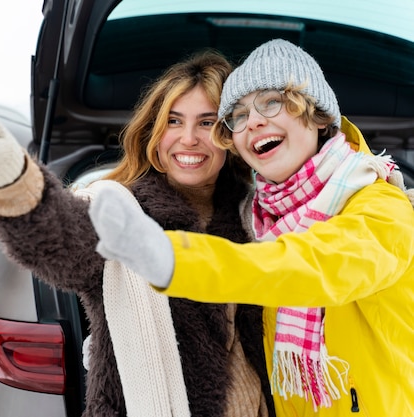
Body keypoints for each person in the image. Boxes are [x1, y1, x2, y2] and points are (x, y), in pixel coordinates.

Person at [0, 50, 275, 417]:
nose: (189, 138)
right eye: (174, 121)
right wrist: (11, 180)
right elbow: (65, 238)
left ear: (229, 135)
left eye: (207, 123)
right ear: (155, 135)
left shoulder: (258, 218)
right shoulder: (120, 210)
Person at [88, 39, 414, 416]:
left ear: (321, 116)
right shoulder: (260, 218)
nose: (254, 120)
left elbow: (312, 265)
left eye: (272, 102)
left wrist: (171, 259)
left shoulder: (380, 208)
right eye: (238, 115)